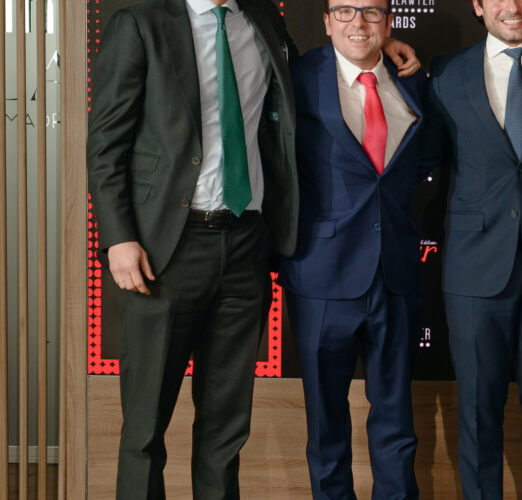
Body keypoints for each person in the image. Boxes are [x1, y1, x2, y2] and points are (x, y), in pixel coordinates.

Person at [87, 0, 298, 496]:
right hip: (166, 249)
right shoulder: (140, 25)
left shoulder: (263, 19)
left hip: (246, 245)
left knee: (226, 429)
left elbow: (307, 81)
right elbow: (106, 144)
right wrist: (118, 237)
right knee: (144, 428)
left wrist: (381, 50)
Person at [420, 0, 522, 498]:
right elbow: (427, 158)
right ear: (478, 5)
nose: (511, 7)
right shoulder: (446, 73)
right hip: (473, 269)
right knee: (477, 413)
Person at [277, 0, 428, 497]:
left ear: (389, 21)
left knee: (397, 425)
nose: (357, 22)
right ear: (326, 22)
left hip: (396, 276)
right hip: (321, 274)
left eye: (371, 12)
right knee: (326, 429)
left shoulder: (414, 79)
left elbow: (427, 161)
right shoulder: (298, 77)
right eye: (344, 11)